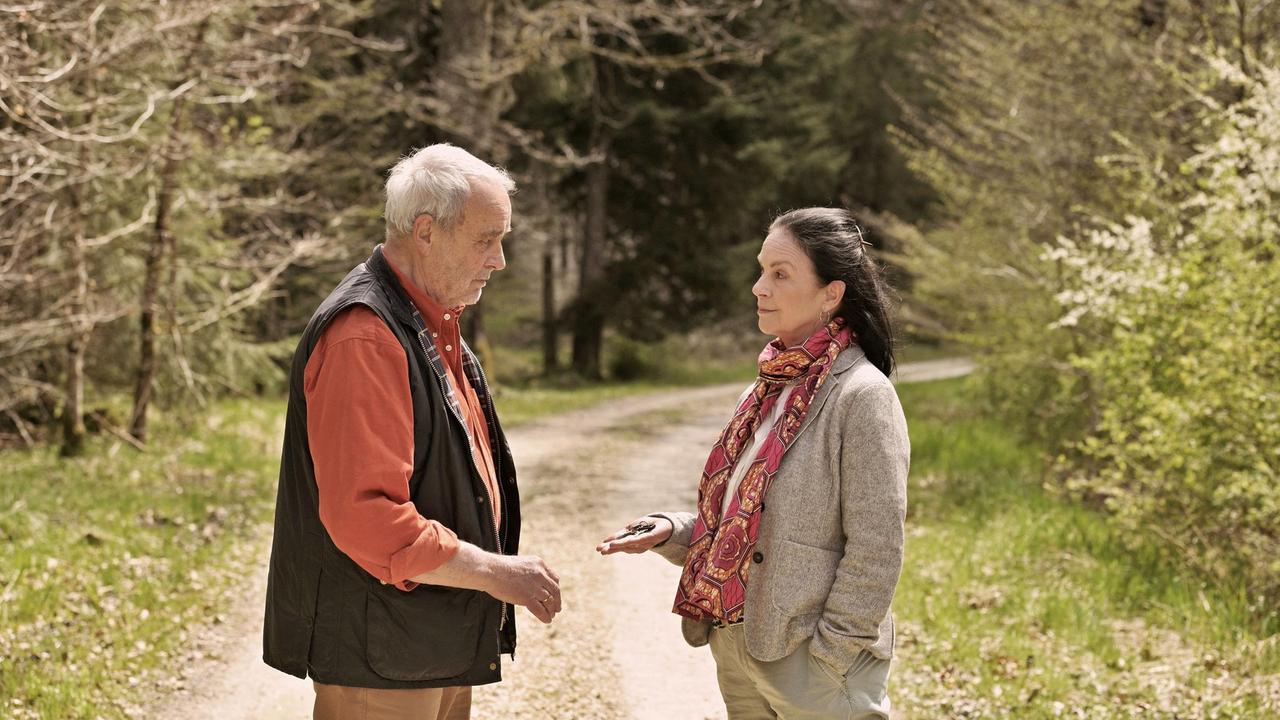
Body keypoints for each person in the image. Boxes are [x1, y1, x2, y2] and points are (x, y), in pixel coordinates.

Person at [263, 144, 562, 720]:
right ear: (426, 231)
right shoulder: (366, 335)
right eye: (486, 239)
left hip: (418, 643)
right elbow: (368, 518)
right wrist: (495, 573)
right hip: (382, 658)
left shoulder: (429, 321)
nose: (499, 260)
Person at [597, 207, 909, 720]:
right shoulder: (766, 388)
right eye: (761, 269)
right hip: (739, 647)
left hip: (812, 664)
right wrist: (671, 530)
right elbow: (746, 517)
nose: (758, 287)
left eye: (780, 274)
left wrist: (831, 655)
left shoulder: (863, 395)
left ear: (832, 294)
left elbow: (878, 544)